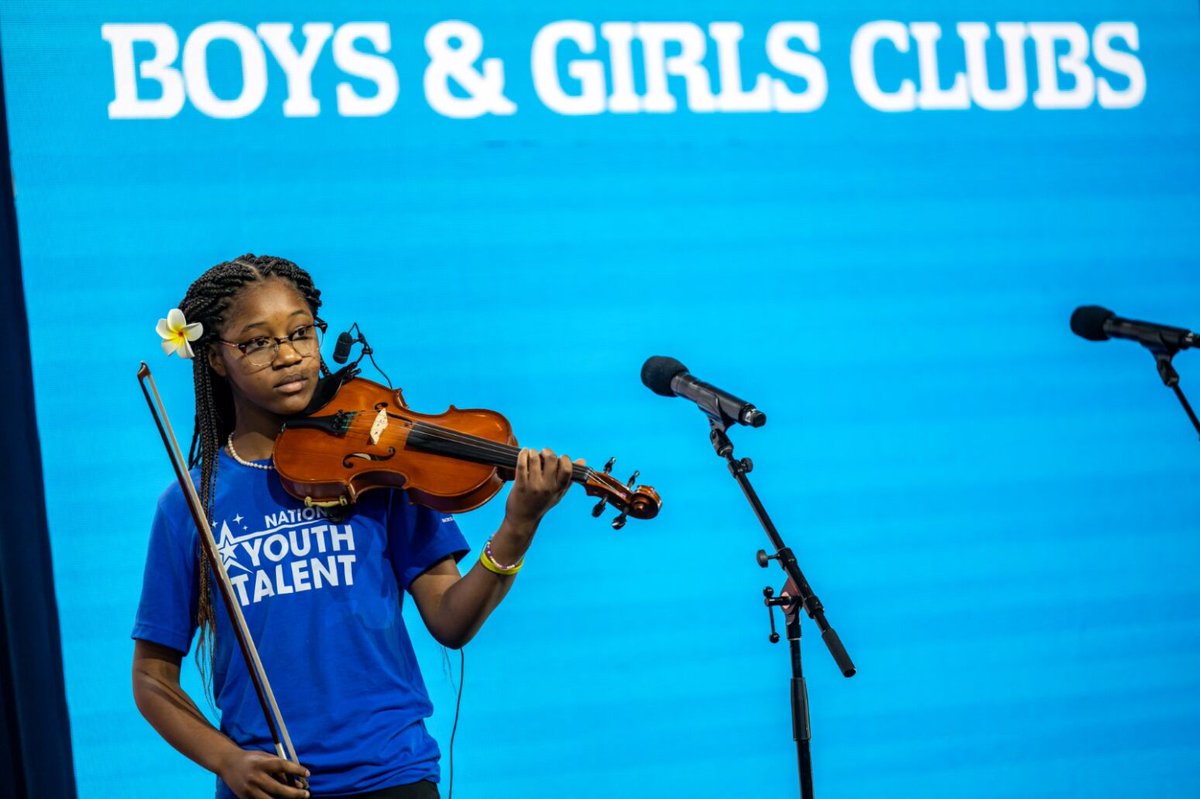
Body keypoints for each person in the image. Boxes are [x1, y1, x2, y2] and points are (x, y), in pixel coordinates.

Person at [132, 254, 576, 799]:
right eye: (257, 342)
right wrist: (228, 761)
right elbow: (152, 678)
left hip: (392, 776)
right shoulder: (189, 503)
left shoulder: (378, 468)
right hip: (270, 786)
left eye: (301, 333)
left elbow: (451, 619)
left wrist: (519, 525)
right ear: (216, 359)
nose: (288, 355)